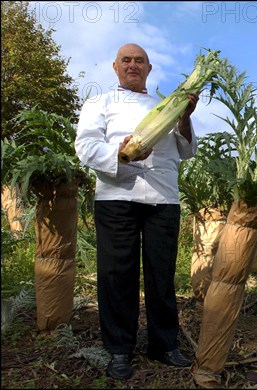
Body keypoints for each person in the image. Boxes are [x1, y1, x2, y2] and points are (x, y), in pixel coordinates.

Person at [75, 43, 199, 380]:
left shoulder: (166, 107)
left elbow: (187, 150)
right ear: (115, 67)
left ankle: (164, 345)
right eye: (126, 60)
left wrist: (185, 117)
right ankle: (118, 350)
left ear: (149, 68)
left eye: (139, 61)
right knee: (117, 275)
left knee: (162, 274)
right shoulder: (99, 103)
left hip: (163, 198)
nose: (133, 65)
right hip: (116, 195)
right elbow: (85, 146)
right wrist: (122, 152)